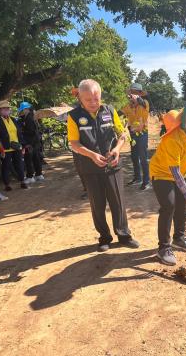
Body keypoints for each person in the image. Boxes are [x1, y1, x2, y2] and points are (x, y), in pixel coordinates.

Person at [67, 79, 140, 252]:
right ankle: (104, 237)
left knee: (118, 201)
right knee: (97, 204)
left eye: (96, 98)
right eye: (88, 100)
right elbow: (74, 144)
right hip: (89, 167)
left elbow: (122, 133)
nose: (93, 103)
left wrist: (117, 149)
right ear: (80, 99)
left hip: (112, 164)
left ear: (100, 95)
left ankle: (124, 235)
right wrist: (91, 155)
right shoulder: (74, 116)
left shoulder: (109, 110)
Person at [149, 104, 186, 265]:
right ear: (182, 122)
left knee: (181, 205)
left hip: (181, 171)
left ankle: (179, 237)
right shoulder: (172, 139)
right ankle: (163, 248)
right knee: (169, 205)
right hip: (162, 173)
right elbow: (174, 171)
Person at [120, 83, 150, 190]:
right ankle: (137, 178)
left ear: (140, 94)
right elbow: (120, 113)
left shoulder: (144, 103)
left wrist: (138, 99)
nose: (133, 94)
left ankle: (146, 181)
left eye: (136, 93)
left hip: (142, 134)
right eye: (132, 92)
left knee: (143, 157)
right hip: (133, 134)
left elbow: (143, 104)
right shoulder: (128, 106)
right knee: (134, 157)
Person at [0, 100, 28, 191]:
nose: (6, 110)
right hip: (5, 148)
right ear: (0, 110)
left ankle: (22, 181)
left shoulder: (13, 119)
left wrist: (23, 145)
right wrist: (0, 148)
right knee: (6, 166)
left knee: (20, 164)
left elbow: (19, 133)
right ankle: (7, 184)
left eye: (8, 109)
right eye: (4, 109)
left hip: (17, 146)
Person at [18, 102, 43, 183]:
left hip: (30, 143)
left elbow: (31, 131)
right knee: (36, 159)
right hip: (35, 142)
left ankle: (30, 177)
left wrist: (22, 131)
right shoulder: (33, 116)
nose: (21, 112)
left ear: (26, 109)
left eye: (22, 110)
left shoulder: (28, 118)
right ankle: (39, 174)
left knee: (28, 159)